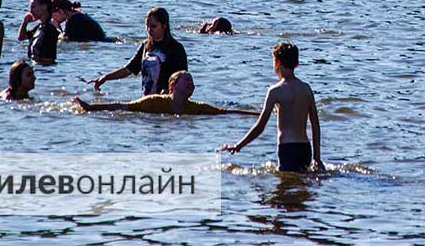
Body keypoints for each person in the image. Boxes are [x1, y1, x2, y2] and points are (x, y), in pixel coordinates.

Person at [220, 42, 323, 172]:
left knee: (284, 189)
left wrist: (239, 145)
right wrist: (317, 158)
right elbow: (315, 125)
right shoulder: (306, 89)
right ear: (297, 64)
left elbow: (260, 126)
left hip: (287, 148)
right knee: (303, 187)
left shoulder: (275, 91)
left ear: (277, 62)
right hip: (305, 148)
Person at [89, 8, 186, 96]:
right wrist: (105, 77)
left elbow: (183, 78)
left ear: (164, 25)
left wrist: (169, 92)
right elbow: (128, 69)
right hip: (147, 98)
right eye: (147, 26)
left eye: (153, 26)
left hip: (167, 99)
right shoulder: (146, 46)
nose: (149, 30)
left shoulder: (176, 48)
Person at [75, 71, 259, 116]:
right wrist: (91, 107)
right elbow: (122, 106)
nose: (190, 84)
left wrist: (260, 114)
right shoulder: (153, 101)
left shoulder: (197, 108)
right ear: (172, 85)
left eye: (192, 82)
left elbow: (225, 113)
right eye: (186, 80)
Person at [17, 0, 58, 65]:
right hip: (35, 65)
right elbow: (21, 37)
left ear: (44, 7)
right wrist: (25, 22)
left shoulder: (50, 30)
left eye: (33, 7)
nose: (30, 11)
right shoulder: (39, 27)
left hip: (43, 69)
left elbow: (49, 59)